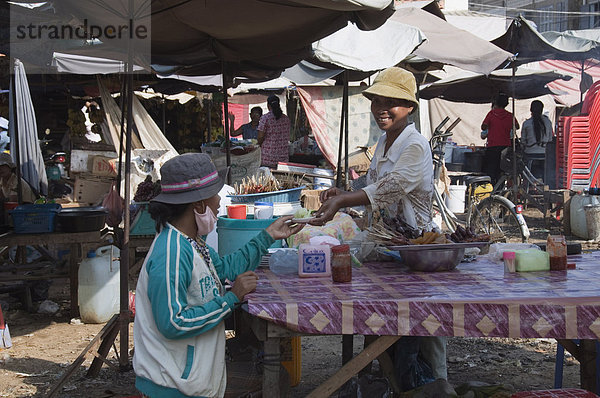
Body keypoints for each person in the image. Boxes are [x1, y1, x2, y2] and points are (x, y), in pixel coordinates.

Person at [309, 67, 446, 389]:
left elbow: (392, 188)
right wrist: (343, 192)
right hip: (386, 242)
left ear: (409, 107)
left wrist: (344, 202)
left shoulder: (414, 145)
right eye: (376, 101)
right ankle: (386, 375)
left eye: (392, 102)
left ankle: (437, 386)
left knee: (424, 323)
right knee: (382, 314)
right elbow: (374, 183)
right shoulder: (385, 140)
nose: (381, 109)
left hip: (416, 247)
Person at [132, 153, 303, 398]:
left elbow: (223, 268)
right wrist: (231, 298)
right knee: (274, 377)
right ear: (199, 205)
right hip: (173, 383)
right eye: (215, 197)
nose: (218, 202)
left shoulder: (192, 242)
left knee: (276, 374)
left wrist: (267, 236)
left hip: (189, 372)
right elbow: (174, 322)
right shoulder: (171, 252)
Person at [481, 93, 519, 184]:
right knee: (502, 171)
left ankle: (492, 190)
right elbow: (517, 126)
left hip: (492, 146)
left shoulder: (491, 114)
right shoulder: (510, 115)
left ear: (496, 102)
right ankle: (500, 190)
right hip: (505, 148)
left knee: (491, 170)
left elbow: (483, 127)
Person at [521, 100, 553, 180]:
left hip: (530, 154)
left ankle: (529, 184)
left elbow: (523, 142)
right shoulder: (548, 122)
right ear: (542, 110)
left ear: (530, 110)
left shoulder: (526, 123)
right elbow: (550, 139)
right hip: (544, 154)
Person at [257, 95, 290, 168]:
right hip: (283, 157)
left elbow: (260, 136)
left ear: (268, 105)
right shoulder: (286, 119)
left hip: (267, 157)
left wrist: (257, 145)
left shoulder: (265, 118)